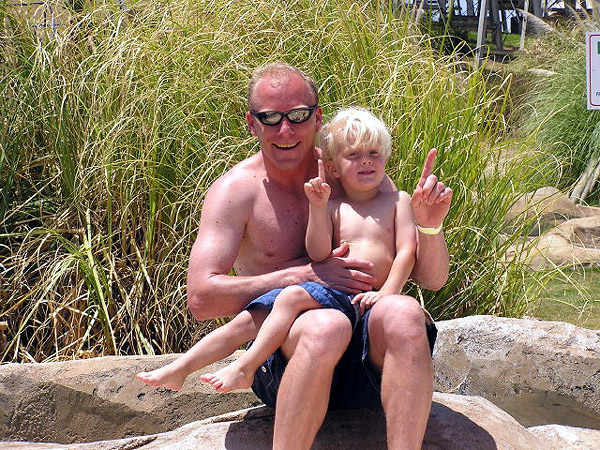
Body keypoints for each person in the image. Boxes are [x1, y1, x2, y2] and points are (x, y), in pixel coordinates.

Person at [150, 63, 451, 450]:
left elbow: (432, 279)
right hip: (286, 359)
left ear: (317, 118)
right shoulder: (236, 192)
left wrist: (429, 226)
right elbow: (202, 299)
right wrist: (302, 275)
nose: (285, 130)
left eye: (297, 116)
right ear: (252, 124)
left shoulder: (353, 168)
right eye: (270, 118)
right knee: (324, 325)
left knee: (406, 312)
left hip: (365, 363)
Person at [137, 108, 423, 397]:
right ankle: (182, 368)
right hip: (332, 289)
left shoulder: (396, 199)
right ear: (334, 169)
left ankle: (245, 366)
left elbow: (407, 251)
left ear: (386, 157)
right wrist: (318, 207)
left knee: (289, 297)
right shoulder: (335, 205)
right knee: (250, 319)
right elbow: (318, 253)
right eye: (354, 155)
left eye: (374, 153)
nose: (366, 161)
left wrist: (388, 292)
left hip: (361, 294)